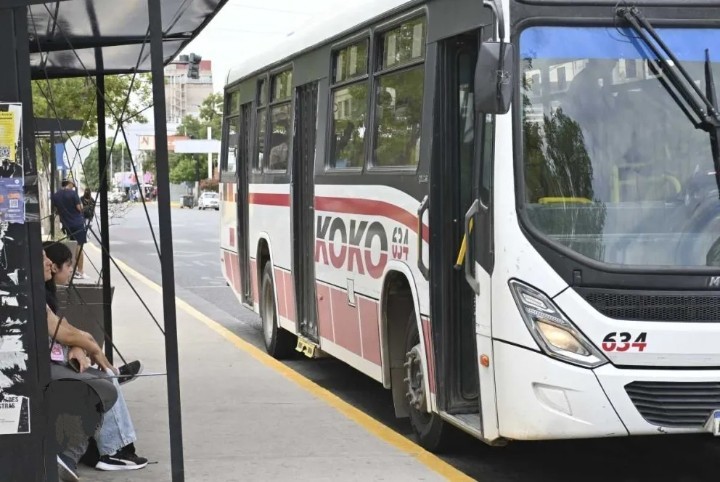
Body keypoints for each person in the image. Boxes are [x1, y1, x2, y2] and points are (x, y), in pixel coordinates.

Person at [43, 242, 148, 476]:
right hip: (45, 366)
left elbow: (63, 328)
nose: (48, 262)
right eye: (43, 259)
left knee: (104, 377)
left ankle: (115, 448)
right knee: (105, 384)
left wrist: (79, 345)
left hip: (52, 360)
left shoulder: (41, 293)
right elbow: (62, 332)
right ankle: (109, 451)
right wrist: (90, 347)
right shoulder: (30, 294)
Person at [51, 179, 87, 279]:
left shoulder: (56, 195)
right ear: (70, 183)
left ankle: (71, 269)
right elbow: (79, 208)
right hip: (77, 224)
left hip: (66, 224)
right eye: (73, 184)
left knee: (72, 245)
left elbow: (55, 210)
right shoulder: (73, 193)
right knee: (79, 247)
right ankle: (80, 271)